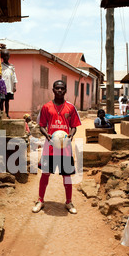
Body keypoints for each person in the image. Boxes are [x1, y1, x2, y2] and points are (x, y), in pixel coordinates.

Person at [32, 80, 81, 215]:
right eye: (57, 88)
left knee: (66, 175)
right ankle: (40, 200)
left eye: (62, 88)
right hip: (50, 146)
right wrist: (47, 135)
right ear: (53, 90)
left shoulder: (70, 108)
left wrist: (70, 136)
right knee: (45, 174)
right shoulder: (46, 107)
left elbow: (73, 126)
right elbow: (41, 125)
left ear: (65, 90)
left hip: (65, 147)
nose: (59, 90)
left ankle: (68, 201)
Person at [0, 49, 17, 118]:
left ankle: (7, 113)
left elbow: (14, 76)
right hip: (2, 85)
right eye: (4, 56)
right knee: (2, 100)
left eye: (7, 56)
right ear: (2, 57)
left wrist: (14, 86)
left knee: (7, 101)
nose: (5, 58)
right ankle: (1, 113)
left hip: (10, 86)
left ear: (9, 56)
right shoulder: (0, 66)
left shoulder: (12, 67)